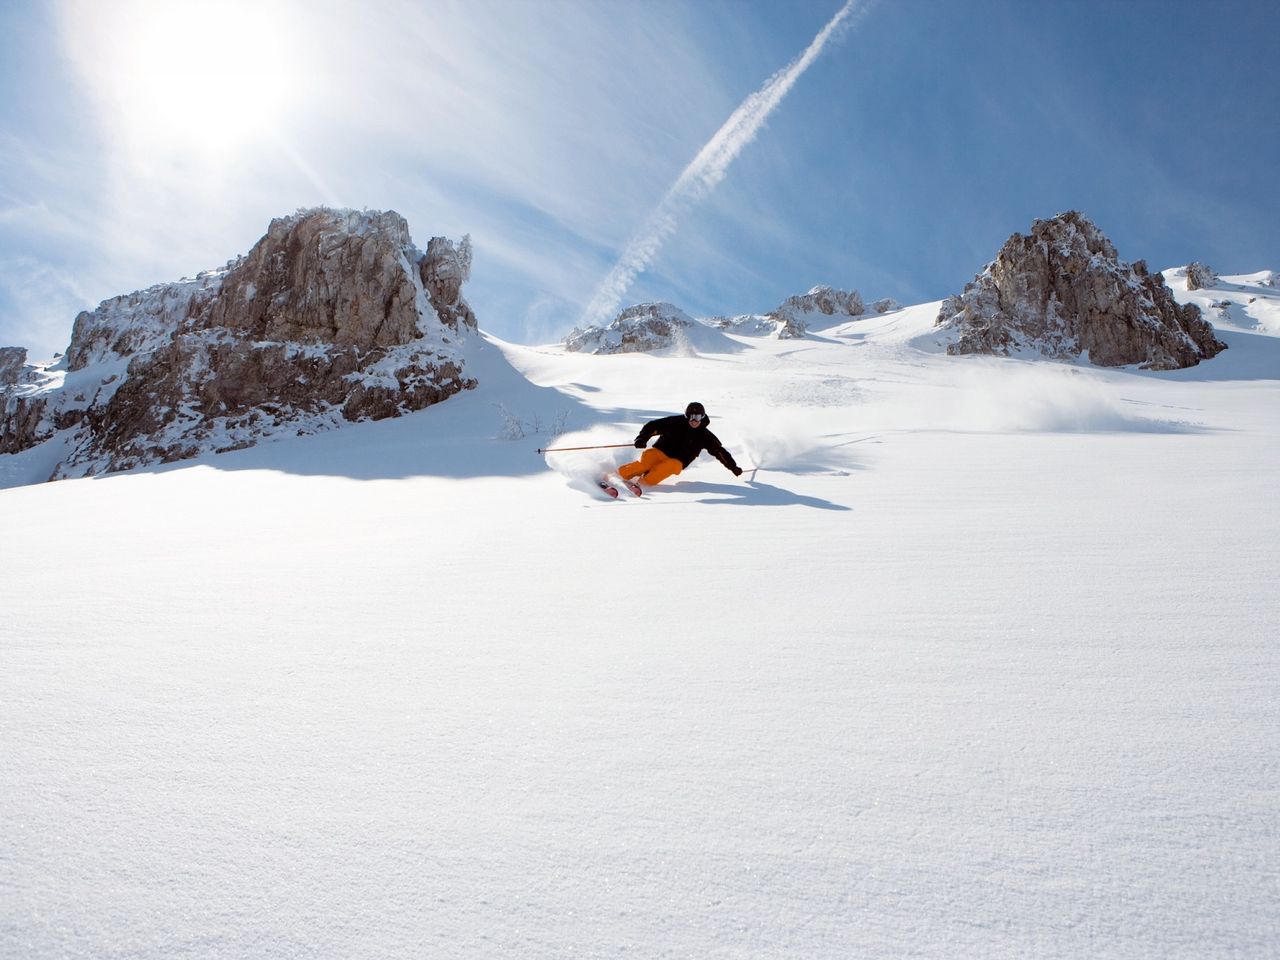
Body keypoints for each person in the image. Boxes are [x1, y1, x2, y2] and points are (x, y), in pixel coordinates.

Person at [617, 401, 744, 487]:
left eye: (698, 417)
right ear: (687, 416)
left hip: (678, 461)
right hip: (659, 452)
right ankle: (619, 475)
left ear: (703, 417)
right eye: (692, 417)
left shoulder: (705, 435)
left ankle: (642, 484)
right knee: (644, 464)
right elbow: (653, 426)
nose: (694, 421)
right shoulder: (675, 422)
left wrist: (732, 467)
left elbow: (719, 451)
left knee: (660, 471)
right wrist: (642, 439)